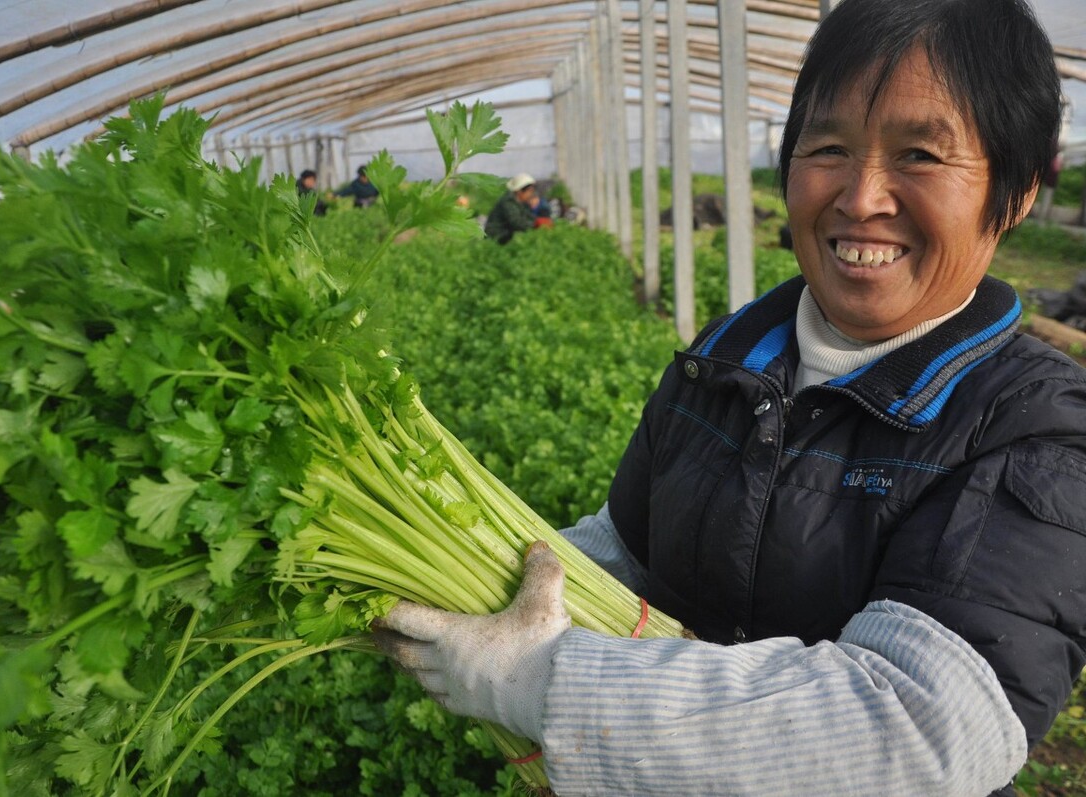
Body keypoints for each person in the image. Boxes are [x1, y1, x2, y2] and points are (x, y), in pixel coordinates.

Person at [374, 1, 1086, 794]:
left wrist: (551, 685)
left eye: (920, 154)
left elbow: (918, 726)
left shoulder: (1039, 431)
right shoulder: (724, 359)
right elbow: (627, 545)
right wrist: (452, 583)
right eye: (828, 146)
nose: (861, 196)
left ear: (1015, 190)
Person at [484, 173, 538, 243]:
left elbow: (528, 218)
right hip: (497, 236)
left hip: (507, 235)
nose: (531, 194)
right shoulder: (508, 202)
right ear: (519, 191)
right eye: (529, 191)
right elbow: (517, 223)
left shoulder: (523, 202)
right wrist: (536, 224)